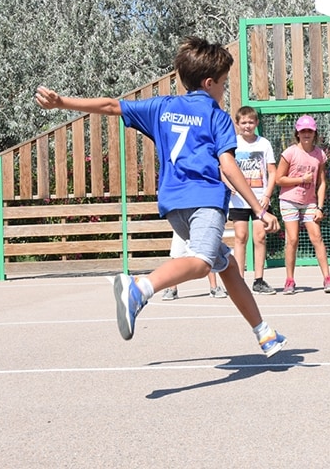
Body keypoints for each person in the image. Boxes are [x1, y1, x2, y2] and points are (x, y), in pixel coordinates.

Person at [34, 35, 287, 357]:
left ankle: (264, 333)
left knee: (227, 265)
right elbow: (227, 163)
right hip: (205, 199)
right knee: (201, 262)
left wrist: (62, 102)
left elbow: (112, 105)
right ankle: (140, 288)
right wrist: (259, 209)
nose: (224, 90)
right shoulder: (217, 116)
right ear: (209, 83)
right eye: (223, 84)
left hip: (173, 205)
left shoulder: (162, 106)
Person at [274, 115, 330, 294]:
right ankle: (290, 280)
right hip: (289, 200)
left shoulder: (319, 154)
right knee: (292, 239)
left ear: (314, 133)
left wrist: (320, 207)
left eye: (309, 131)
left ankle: (328, 278)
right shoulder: (290, 153)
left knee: (317, 237)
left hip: (310, 202)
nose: (306, 134)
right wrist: (301, 179)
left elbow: (322, 182)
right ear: (298, 133)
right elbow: (279, 179)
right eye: (303, 131)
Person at [224, 105, 277, 295]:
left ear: (256, 123)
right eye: (243, 122)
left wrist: (267, 194)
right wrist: (227, 184)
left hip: (259, 198)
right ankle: (238, 280)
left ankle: (259, 280)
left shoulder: (264, 144)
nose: (247, 125)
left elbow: (272, 171)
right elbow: (223, 167)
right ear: (237, 124)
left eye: (251, 122)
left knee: (260, 236)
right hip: (238, 199)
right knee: (240, 237)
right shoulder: (232, 143)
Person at [162, 232, 226, 300]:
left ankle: (214, 288)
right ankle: (172, 289)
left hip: (200, 225)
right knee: (176, 254)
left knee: (207, 253)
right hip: (181, 225)